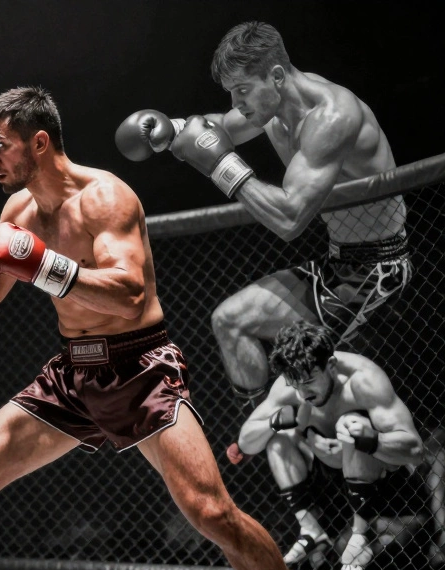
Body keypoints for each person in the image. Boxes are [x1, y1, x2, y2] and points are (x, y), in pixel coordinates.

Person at [0, 87, 346, 570]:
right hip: (73, 372)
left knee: (210, 511)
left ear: (39, 141)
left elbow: (129, 293)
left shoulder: (106, 197)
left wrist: (43, 265)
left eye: (0, 145)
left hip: (140, 365)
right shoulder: (17, 213)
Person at [116, 21, 410, 423]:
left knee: (303, 382)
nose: (237, 102)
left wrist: (220, 164)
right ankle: (270, 442)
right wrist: (175, 130)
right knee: (230, 320)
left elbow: (290, 219)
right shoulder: (273, 110)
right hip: (337, 263)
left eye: (242, 89)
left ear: (276, 76)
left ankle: (289, 438)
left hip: (378, 270)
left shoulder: (331, 117)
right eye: (231, 92)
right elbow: (220, 126)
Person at [232, 321, 424, 570]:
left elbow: (415, 451)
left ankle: (362, 534)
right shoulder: (288, 386)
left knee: (352, 424)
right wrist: (275, 422)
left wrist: (370, 439)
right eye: (295, 383)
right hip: (325, 478)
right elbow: (246, 442)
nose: (303, 393)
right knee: (278, 439)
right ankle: (311, 530)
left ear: (331, 365)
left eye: (310, 380)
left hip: (378, 481)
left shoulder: (363, 380)